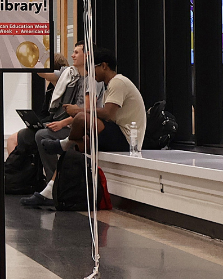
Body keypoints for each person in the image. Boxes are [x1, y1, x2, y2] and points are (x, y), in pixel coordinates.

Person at [21, 47, 146, 209]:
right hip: (115, 132)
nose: (91, 72)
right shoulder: (108, 84)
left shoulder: (118, 82)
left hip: (126, 137)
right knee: (73, 146)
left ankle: (64, 144)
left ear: (104, 66)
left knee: (80, 119)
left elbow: (107, 113)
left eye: (93, 67)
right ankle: (51, 188)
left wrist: (77, 110)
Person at [13, 43, 90, 185]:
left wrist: (62, 123)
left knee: (41, 135)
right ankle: (29, 178)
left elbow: (84, 111)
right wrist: (33, 58)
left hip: (75, 125)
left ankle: (53, 182)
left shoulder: (91, 80)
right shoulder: (69, 73)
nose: (72, 55)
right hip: (65, 121)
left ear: (87, 56)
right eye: (73, 52)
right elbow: (43, 72)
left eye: (76, 53)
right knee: (24, 135)